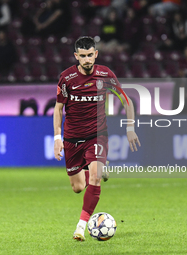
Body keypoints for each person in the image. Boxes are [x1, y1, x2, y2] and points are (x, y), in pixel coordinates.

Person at [53, 36, 141, 241]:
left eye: (90, 55)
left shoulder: (105, 75)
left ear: (96, 54)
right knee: (77, 187)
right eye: (82, 56)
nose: (87, 60)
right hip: (72, 138)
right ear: (76, 56)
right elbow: (58, 109)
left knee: (94, 178)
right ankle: (100, 168)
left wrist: (130, 128)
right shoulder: (66, 78)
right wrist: (57, 137)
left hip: (97, 135)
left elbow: (127, 101)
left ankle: (80, 226)